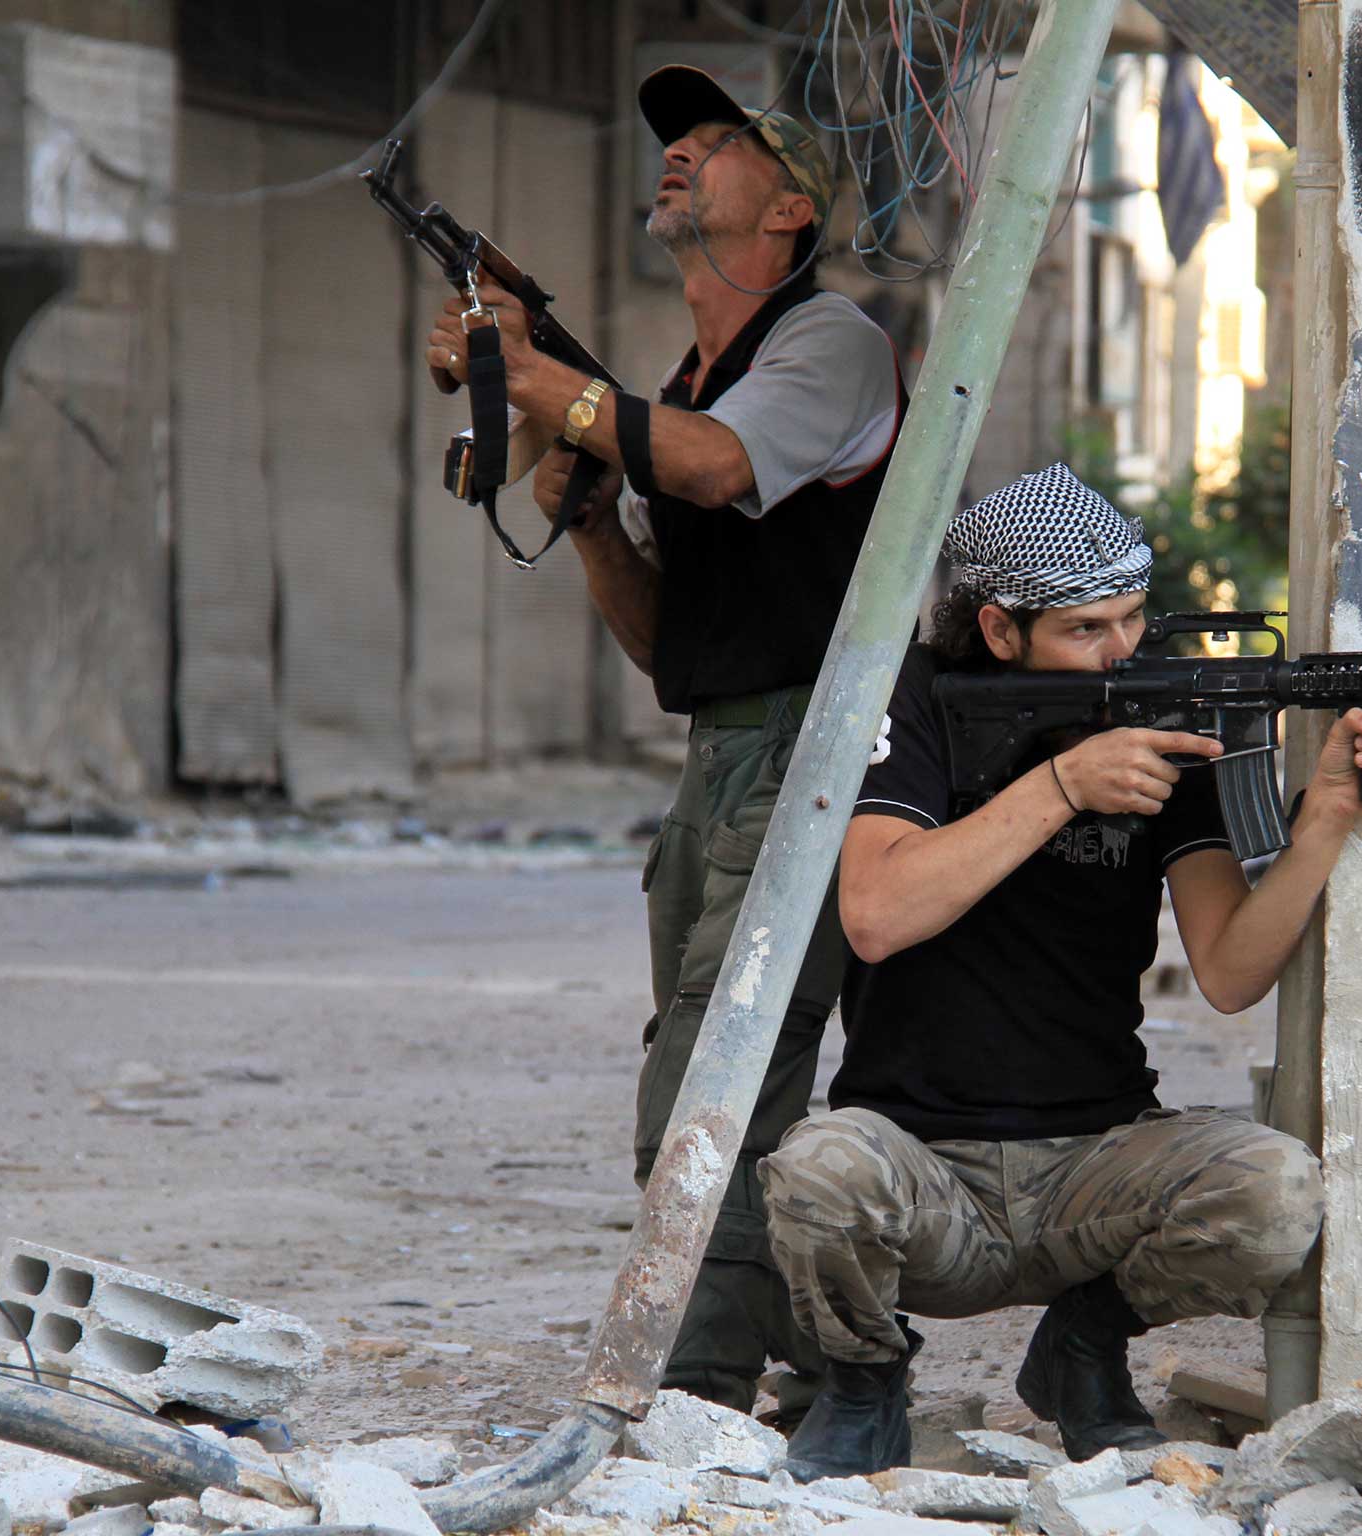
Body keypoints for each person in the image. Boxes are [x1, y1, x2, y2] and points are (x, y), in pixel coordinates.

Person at [757, 463, 1362, 1478]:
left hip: (1092, 1172)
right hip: (925, 1171)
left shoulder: (1161, 719)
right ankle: (864, 1384)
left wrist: (1324, 818)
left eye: (1131, 618)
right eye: (1086, 630)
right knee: (815, 1169)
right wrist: (1064, 784)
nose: (1122, 650)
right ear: (995, 630)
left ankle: (1082, 1349)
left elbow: (1232, 973)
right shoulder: (919, 704)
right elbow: (877, 915)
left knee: (1273, 1190)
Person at [421, 65, 905, 1417]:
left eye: (716, 145)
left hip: (818, 761)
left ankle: (690, 1391)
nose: (679, 159)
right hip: (730, 758)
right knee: (719, 1077)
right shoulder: (691, 379)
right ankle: (826, 1366)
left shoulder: (828, 345)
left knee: (710, 1086)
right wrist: (580, 513)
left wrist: (536, 380)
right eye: (676, 144)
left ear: (792, 211)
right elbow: (663, 644)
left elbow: (711, 469)